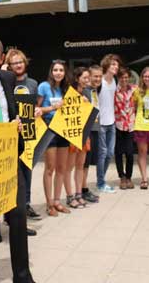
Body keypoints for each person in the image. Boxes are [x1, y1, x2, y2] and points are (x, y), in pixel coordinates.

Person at [0, 35, 36, 283]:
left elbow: (12, 110)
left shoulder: (7, 78)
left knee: (18, 215)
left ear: (2, 59)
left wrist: (17, 126)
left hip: (9, 157)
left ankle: (22, 276)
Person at [4, 48, 42, 220]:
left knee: (27, 169)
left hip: (28, 131)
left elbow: (36, 106)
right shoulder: (4, 81)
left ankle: (26, 204)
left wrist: (38, 111)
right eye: (14, 62)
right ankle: (8, 209)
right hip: (10, 132)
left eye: (20, 62)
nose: (18, 65)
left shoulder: (33, 83)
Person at [38, 59, 71, 216]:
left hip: (63, 129)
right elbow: (36, 110)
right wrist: (52, 107)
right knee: (50, 168)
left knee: (62, 168)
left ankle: (57, 201)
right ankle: (49, 203)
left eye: (61, 70)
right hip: (49, 130)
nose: (58, 73)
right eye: (56, 70)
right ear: (51, 72)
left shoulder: (66, 89)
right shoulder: (44, 86)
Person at [63, 67, 91, 208]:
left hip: (84, 133)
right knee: (69, 167)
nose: (87, 80)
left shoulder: (87, 93)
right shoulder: (69, 93)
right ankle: (69, 196)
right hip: (71, 134)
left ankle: (79, 194)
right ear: (77, 78)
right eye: (84, 78)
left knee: (80, 166)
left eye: (88, 78)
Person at [97, 54, 121, 193]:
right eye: (113, 64)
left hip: (111, 122)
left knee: (110, 153)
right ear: (106, 65)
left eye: (117, 65)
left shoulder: (114, 81)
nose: (115, 67)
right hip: (100, 123)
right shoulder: (100, 81)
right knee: (103, 153)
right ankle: (101, 183)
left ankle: (102, 179)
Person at [114, 67, 137, 189]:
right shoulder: (113, 91)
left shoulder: (134, 90)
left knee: (129, 153)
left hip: (130, 126)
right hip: (117, 125)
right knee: (118, 152)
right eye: (122, 77)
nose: (124, 79)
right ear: (118, 78)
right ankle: (121, 177)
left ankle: (129, 177)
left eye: (126, 77)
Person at [81, 65, 102, 203]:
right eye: (95, 76)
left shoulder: (94, 91)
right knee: (84, 162)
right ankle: (82, 190)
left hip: (95, 128)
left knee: (88, 163)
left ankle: (84, 188)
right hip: (87, 130)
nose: (98, 79)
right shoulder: (85, 91)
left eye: (100, 76)